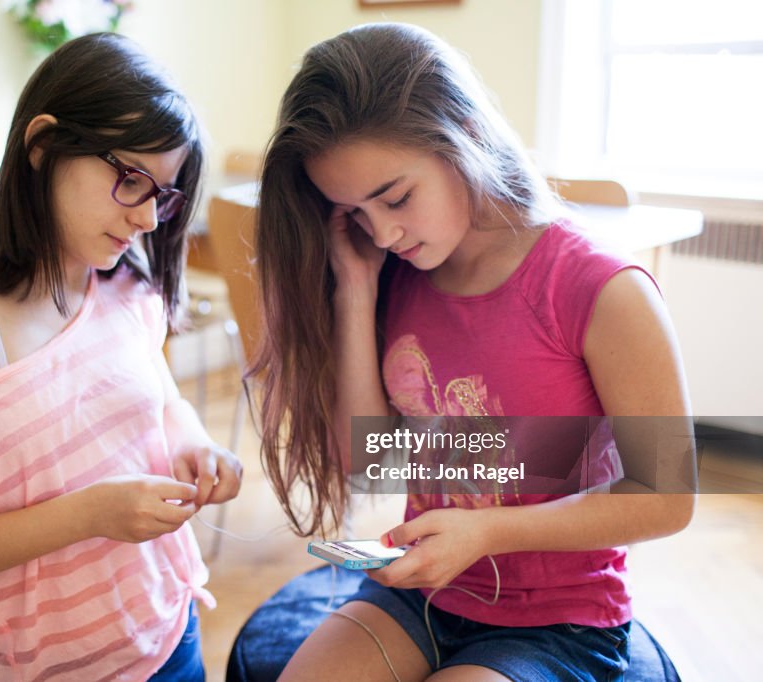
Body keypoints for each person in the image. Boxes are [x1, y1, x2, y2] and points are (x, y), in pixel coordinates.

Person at [251, 23, 694, 682]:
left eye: (396, 197)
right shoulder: (394, 272)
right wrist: (355, 289)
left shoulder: (600, 289)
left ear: (467, 133)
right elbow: (369, 461)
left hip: (560, 620)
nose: (384, 231)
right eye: (355, 213)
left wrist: (488, 533)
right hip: (420, 597)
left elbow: (667, 497)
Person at [0, 33, 241, 682]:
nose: (150, 219)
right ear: (42, 147)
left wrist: (196, 442)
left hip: (168, 632)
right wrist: (90, 515)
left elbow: (163, 399)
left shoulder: (129, 281)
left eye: (165, 194)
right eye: (130, 180)